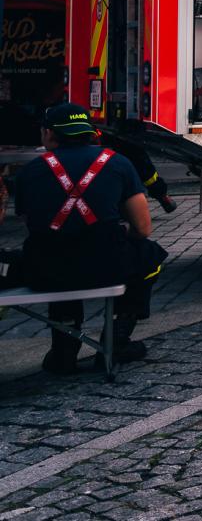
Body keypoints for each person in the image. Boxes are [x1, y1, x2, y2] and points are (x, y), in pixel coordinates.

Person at [11, 104, 167, 374]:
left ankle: (64, 346)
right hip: (107, 266)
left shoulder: (30, 171)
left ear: (48, 133)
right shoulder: (118, 163)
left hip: (45, 271)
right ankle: (117, 338)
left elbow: (33, 225)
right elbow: (142, 228)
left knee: (58, 253)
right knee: (149, 255)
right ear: (90, 133)